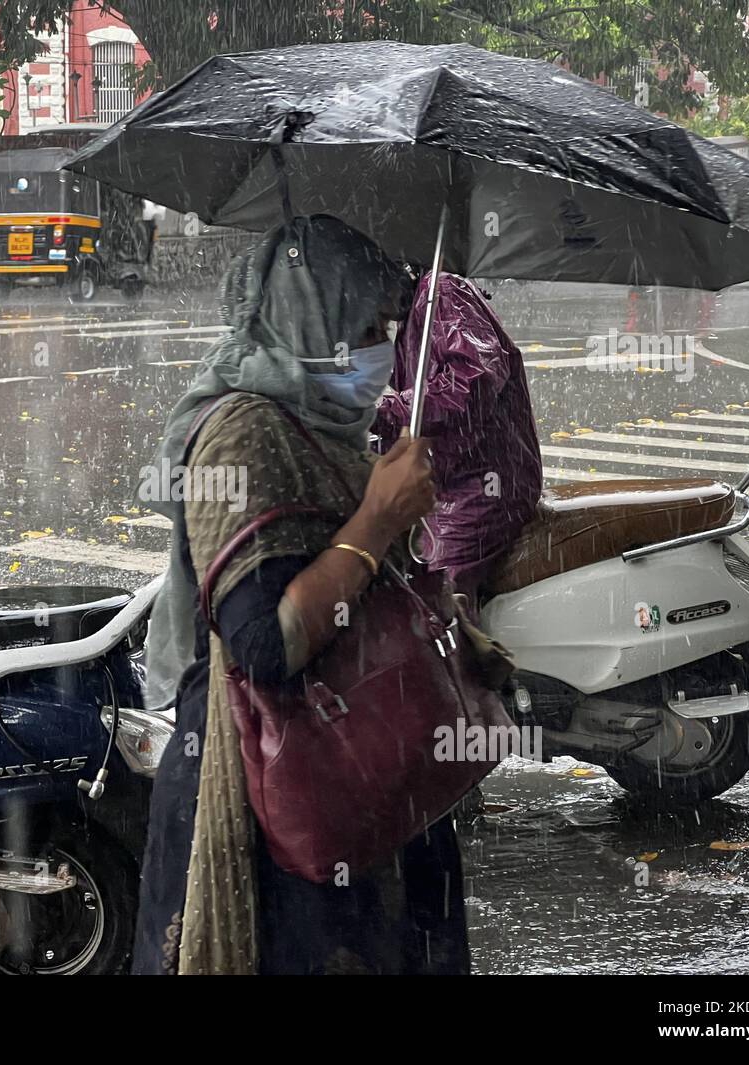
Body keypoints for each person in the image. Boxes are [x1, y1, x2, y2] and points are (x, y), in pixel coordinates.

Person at [133, 215, 470, 975]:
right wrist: (377, 520)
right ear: (311, 317)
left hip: (358, 771)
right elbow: (264, 646)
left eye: (390, 325)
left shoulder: (332, 429)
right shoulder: (243, 434)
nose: (384, 347)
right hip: (271, 799)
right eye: (367, 324)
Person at [371, 272, 542, 602]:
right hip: (447, 481)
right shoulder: (411, 309)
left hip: (481, 488)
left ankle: (462, 651)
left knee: (434, 594)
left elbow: (470, 385)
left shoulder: (443, 292)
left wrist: (381, 410)